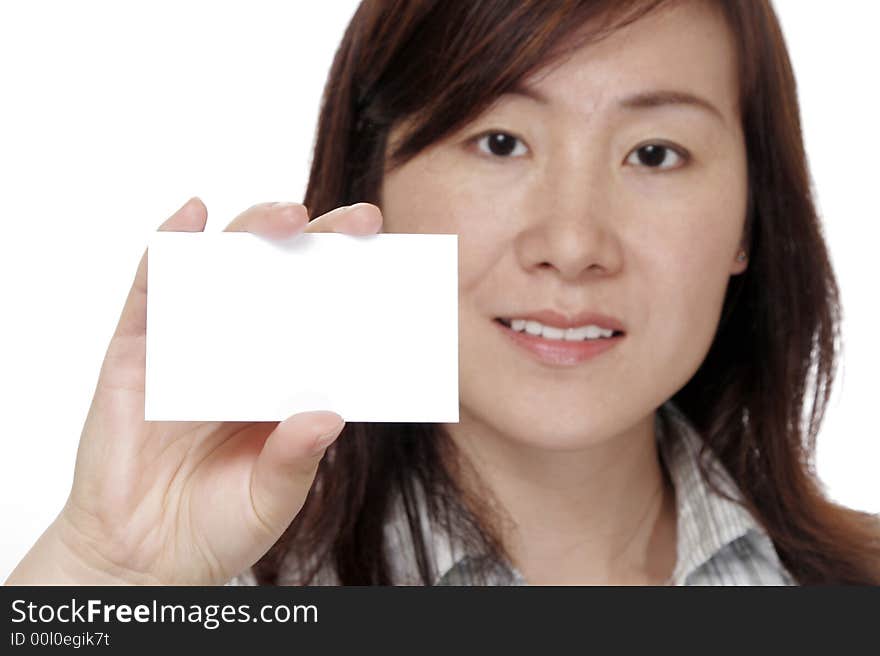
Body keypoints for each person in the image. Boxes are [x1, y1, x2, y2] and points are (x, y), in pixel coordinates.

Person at [6, 0, 880, 587]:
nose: (572, 246)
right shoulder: (211, 593)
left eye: (654, 154)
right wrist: (104, 569)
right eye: (499, 142)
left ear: (750, 221)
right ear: (372, 181)